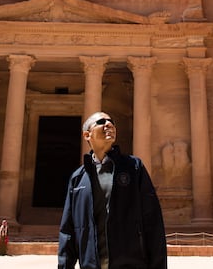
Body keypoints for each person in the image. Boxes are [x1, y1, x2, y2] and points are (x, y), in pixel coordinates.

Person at [58, 112, 167, 269]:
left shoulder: (133, 167)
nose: (109, 124)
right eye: (101, 122)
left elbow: (153, 222)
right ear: (87, 135)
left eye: (112, 122)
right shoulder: (78, 178)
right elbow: (68, 231)